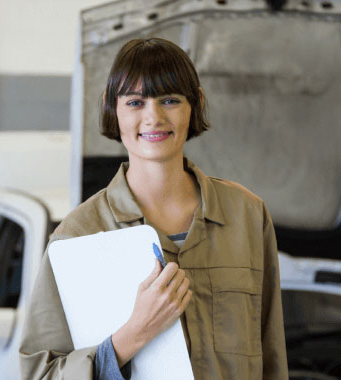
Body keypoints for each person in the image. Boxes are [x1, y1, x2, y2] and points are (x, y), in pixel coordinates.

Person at [19, 38, 288, 380]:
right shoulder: (76, 236)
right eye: (135, 102)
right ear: (111, 108)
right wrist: (131, 337)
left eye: (170, 100)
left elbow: (272, 358)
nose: (154, 117)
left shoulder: (247, 216)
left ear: (196, 104)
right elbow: (40, 374)